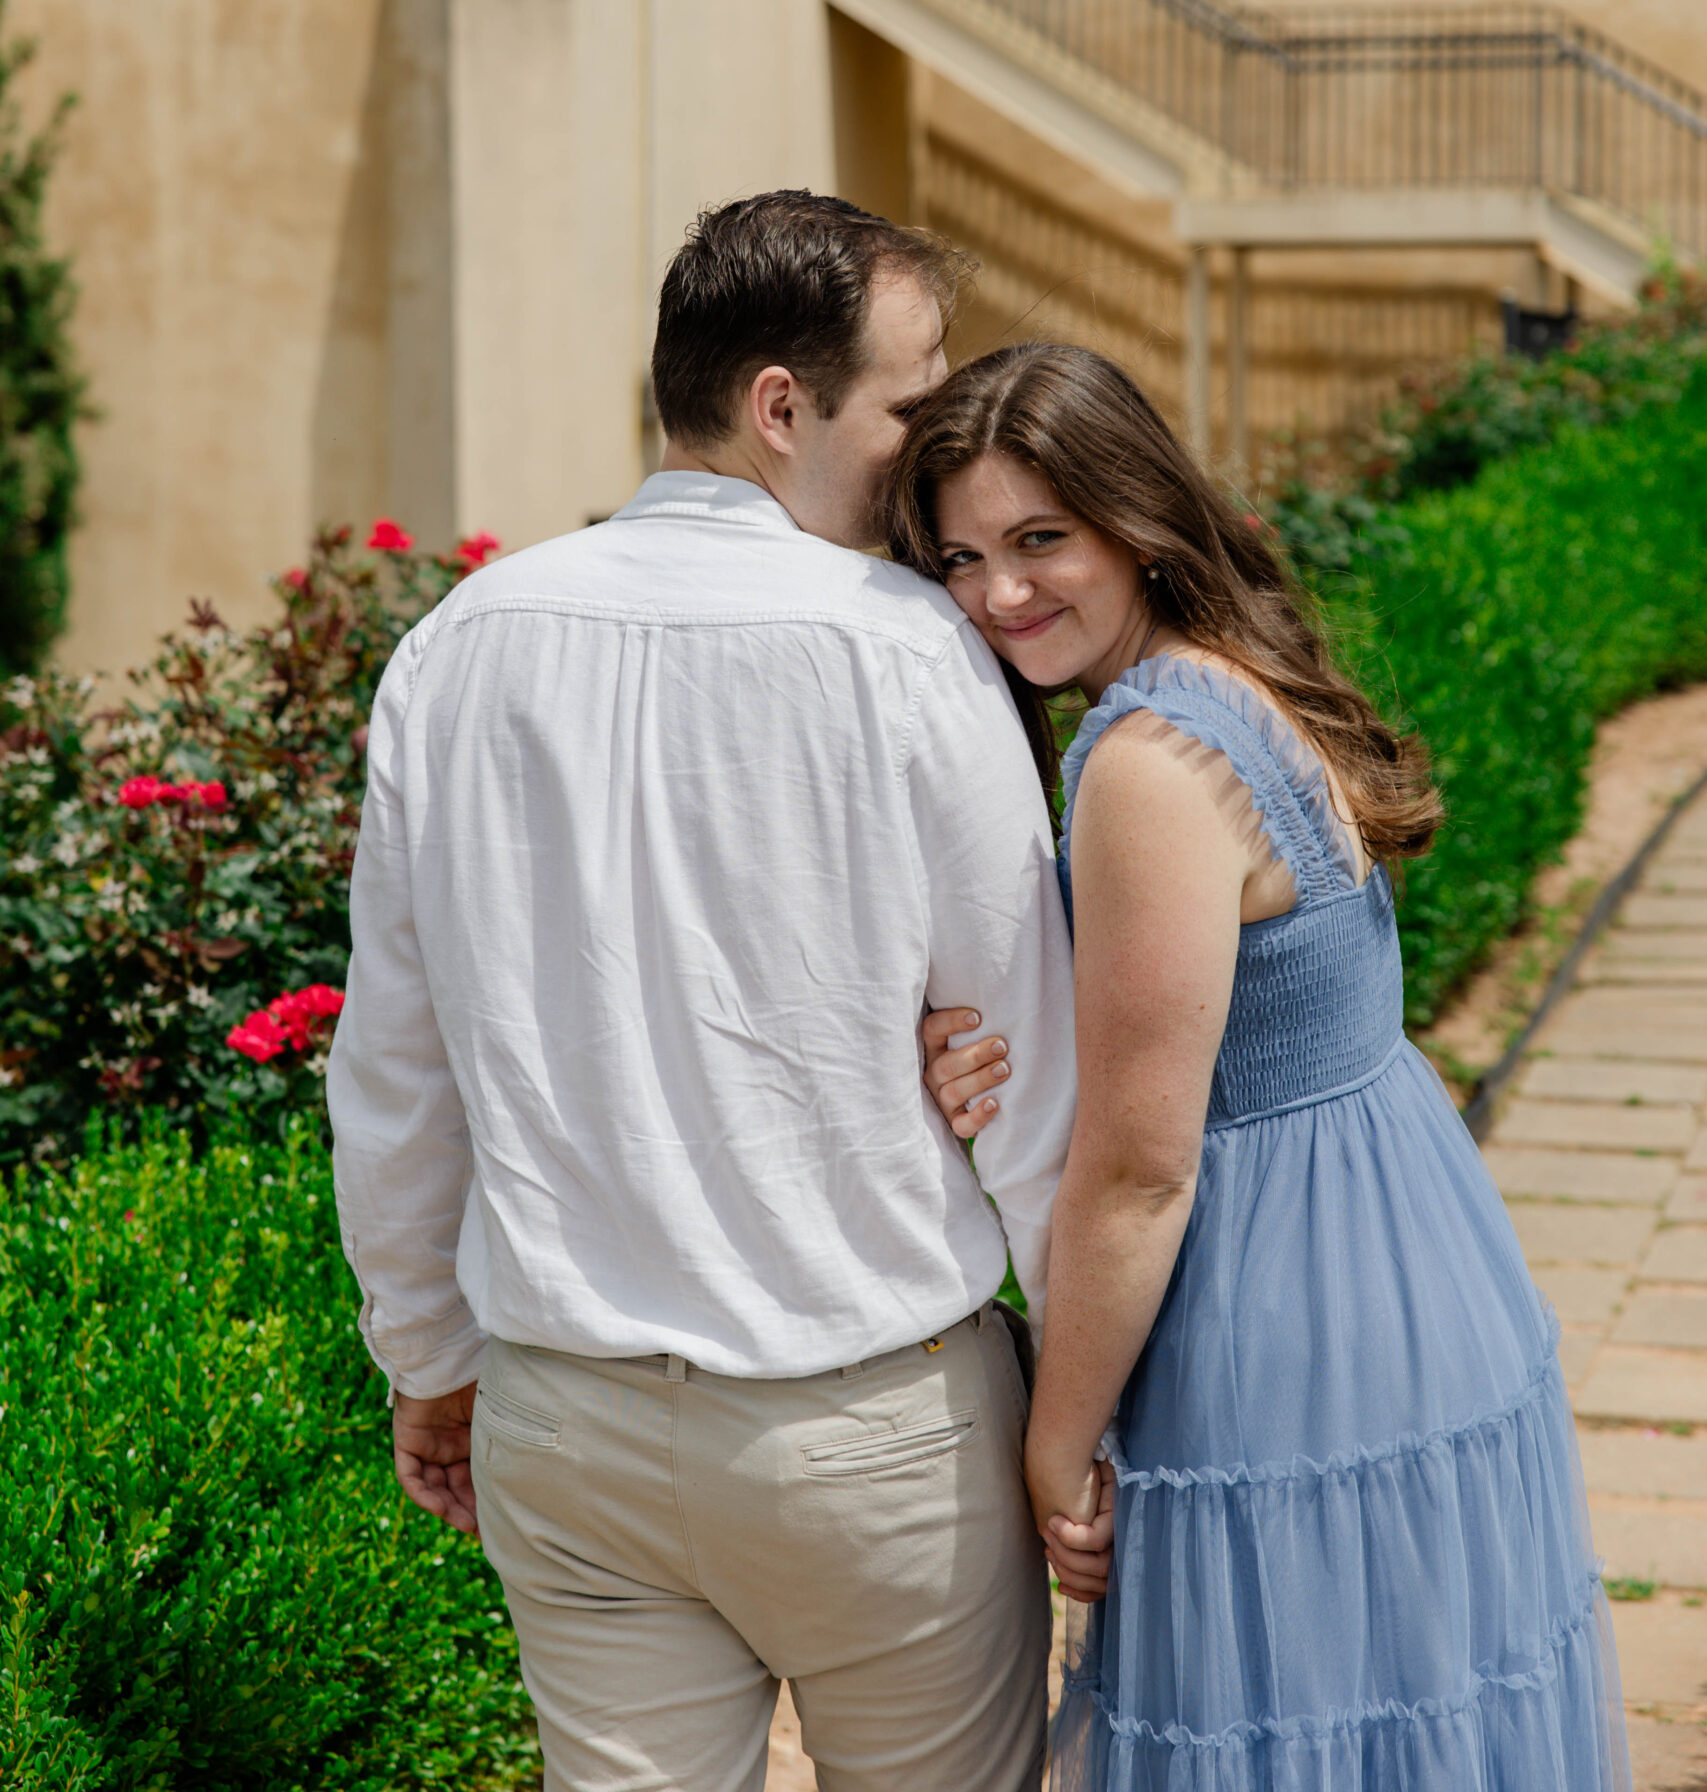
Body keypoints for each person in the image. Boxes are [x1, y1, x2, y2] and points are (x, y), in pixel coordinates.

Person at [327, 192, 1083, 1792]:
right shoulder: (905, 647)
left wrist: (429, 1359)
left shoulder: (456, 647)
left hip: (567, 1427)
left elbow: (396, 1068)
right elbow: (1031, 1072)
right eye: (910, 405)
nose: (930, 448)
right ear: (781, 407)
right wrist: (1089, 1403)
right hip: (880, 1434)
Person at [891, 343, 1631, 1792]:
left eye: (1041, 540)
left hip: (1276, 1302)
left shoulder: (1146, 766)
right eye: (961, 557)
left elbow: (1140, 1170)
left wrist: (1056, 1443)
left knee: (1280, 1727)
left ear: (1136, 520)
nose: (999, 594)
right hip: (1404, 1243)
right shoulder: (1238, 680)